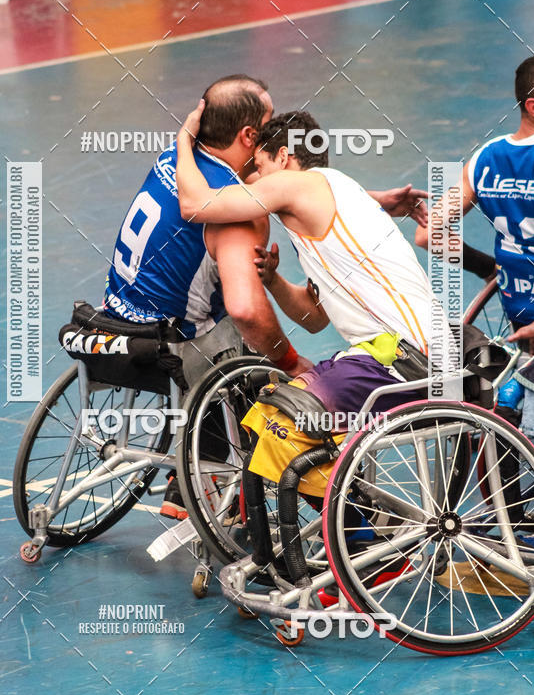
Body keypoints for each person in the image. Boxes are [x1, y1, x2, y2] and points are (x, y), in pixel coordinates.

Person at [176, 104, 445, 497]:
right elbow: (315, 317)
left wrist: (184, 140)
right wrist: (274, 281)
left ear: (284, 157)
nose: (257, 180)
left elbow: (194, 204)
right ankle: (353, 525)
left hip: (404, 359)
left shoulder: (299, 185)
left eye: (261, 167)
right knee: (272, 416)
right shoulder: (336, 198)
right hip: (395, 355)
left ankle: (363, 542)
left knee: (278, 421)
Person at [104, 74, 312, 519]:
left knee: (218, 316)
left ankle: (186, 478)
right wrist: (289, 360)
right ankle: (354, 518)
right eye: (268, 123)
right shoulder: (232, 206)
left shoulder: (175, 159)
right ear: (249, 135)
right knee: (275, 379)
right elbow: (248, 312)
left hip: (111, 324)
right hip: (173, 347)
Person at [416, 56, 534, 438]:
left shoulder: (486, 157)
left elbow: (427, 234)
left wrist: (491, 268)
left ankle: (519, 386)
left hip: (518, 307)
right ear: (533, 105)